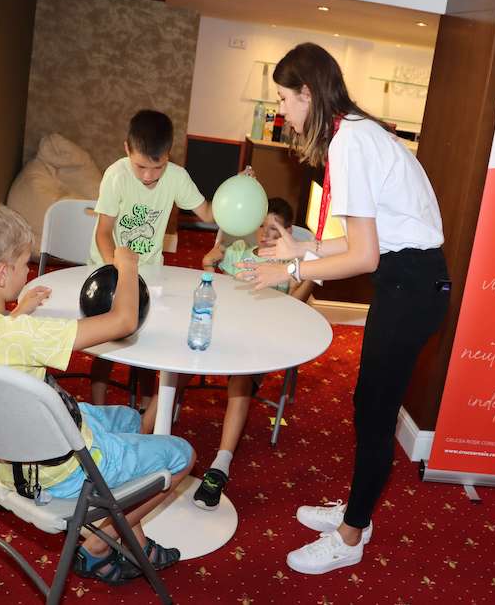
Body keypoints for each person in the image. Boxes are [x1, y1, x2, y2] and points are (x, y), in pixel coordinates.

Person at [239, 43, 448, 574]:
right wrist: (300, 249)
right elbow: (373, 238)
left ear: (308, 93)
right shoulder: (356, 133)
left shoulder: (351, 143)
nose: (282, 109)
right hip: (411, 280)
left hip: (410, 286)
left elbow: (364, 254)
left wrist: (289, 271)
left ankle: (352, 535)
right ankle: (358, 512)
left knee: (375, 412)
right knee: (366, 405)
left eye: (286, 98)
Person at [0, 198, 194, 584]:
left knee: (129, 418)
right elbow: (123, 320)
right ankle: (102, 541)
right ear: (0, 274)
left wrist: (16, 311)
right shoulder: (21, 335)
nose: (28, 270)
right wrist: (126, 265)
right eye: (24, 262)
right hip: (61, 471)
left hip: (8, 458)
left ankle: (126, 519)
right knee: (182, 456)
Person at [87, 110, 216, 409]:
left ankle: (147, 404)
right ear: (126, 149)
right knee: (105, 343)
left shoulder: (176, 177)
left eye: (156, 167)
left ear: (168, 156)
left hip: (149, 271)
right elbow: (104, 233)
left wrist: (236, 189)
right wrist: (115, 269)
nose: (148, 175)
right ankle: (98, 408)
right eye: (140, 166)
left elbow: (208, 214)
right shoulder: (116, 175)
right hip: (109, 269)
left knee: (148, 339)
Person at [191, 198, 313, 510]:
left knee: (241, 380)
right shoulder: (238, 252)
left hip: (260, 341)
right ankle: (147, 434)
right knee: (182, 358)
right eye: (262, 227)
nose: (266, 235)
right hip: (225, 329)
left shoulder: (289, 266)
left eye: (275, 231)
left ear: (288, 232)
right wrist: (208, 262)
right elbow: (212, 288)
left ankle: (220, 464)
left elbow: (296, 309)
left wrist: (308, 273)